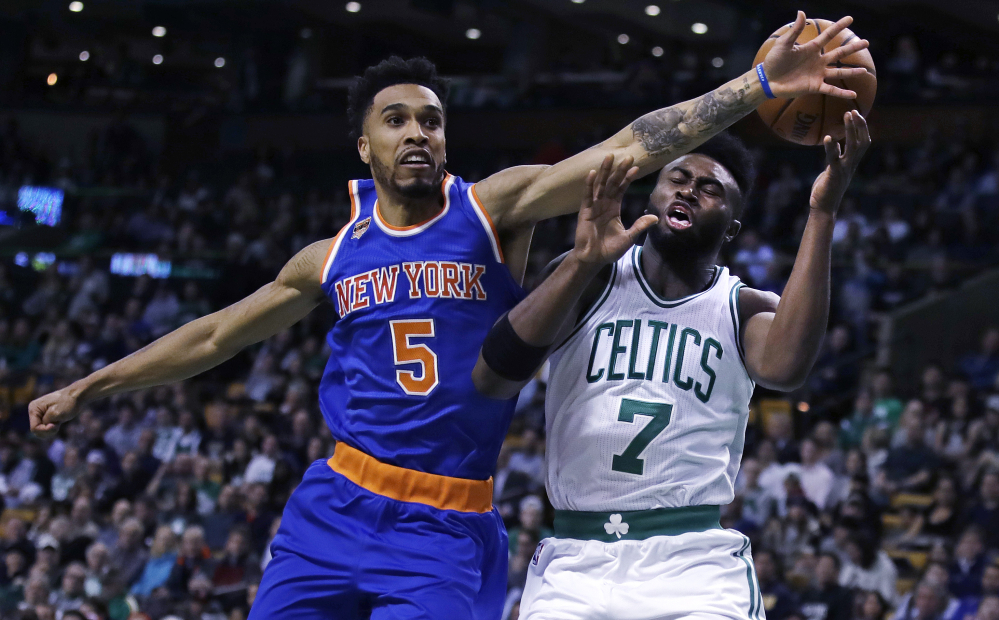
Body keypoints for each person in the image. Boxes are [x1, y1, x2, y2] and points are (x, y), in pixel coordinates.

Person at [28, 17, 868, 617]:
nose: (417, 132)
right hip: (336, 498)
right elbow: (213, 336)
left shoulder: (492, 210)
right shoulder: (330, 255)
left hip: (448, 517)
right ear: (364, 146)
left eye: (431, 118)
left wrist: (757, 85)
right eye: (395, 120)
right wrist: (93, 386)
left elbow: (631, 148)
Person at [472, 93, 871, 618]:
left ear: (731, 226)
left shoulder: (742, 305)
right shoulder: (589, 280)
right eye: (678, 179)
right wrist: (580, 263)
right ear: (653, 196)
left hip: (691, 562)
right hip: (577, 557)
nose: (689, 190)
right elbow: (495, 376)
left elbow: (785, 368)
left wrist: (823, 210)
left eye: (710, 189)